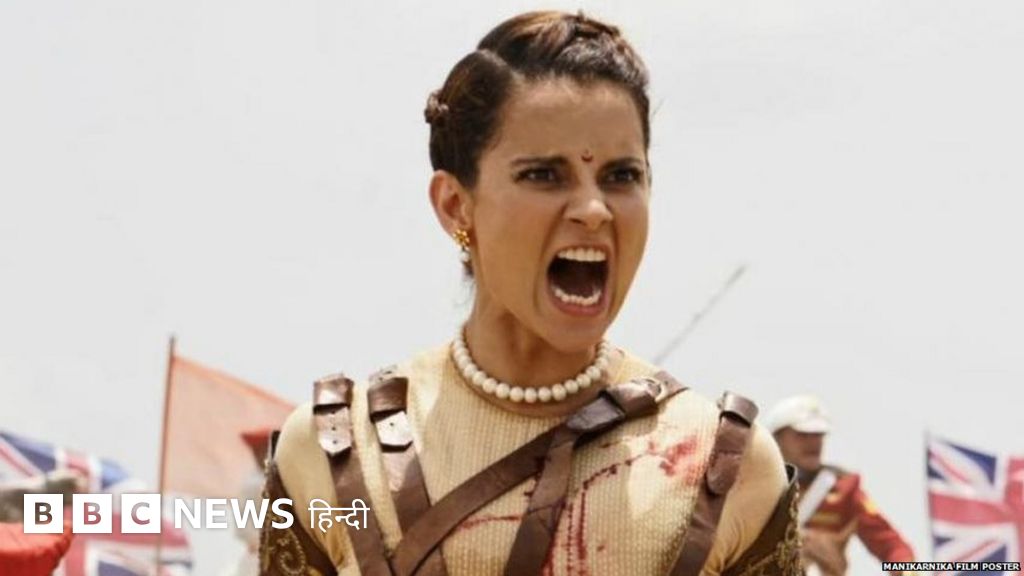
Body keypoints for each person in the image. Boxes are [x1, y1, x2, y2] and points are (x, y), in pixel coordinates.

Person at [260, 11, 801, 576]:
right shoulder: (333, 455)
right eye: (544, 175)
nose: (593, 209)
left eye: (621, 176)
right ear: (455, 205)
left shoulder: (728, 468)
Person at [766, 395, 915, 575]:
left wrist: (909, 572)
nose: (813, 443)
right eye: (802, 435)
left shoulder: (843, 488)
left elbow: (891, 546)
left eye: (819, 435)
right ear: (776, 439)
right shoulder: (755, 485)